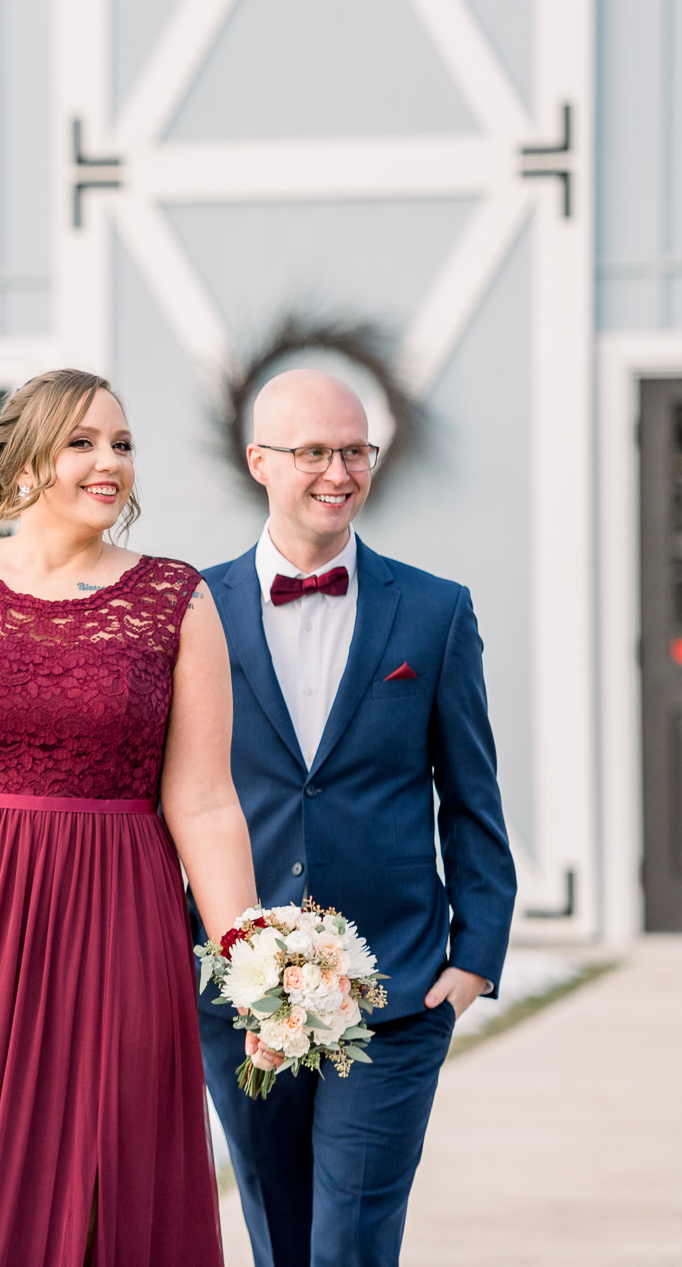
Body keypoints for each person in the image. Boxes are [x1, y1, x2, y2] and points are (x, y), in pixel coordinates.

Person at [0, 368, 260, 1267]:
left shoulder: (177, 599)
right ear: (25, 460)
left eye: (123, 444)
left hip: (122, 920)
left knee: (112, 1164)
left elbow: (204, 799)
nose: (110, 463)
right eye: (82, 442)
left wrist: (256, 962)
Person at [199, 369, 515, 1267]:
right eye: (313, 452)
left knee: (352, 1240)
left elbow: (472, 798)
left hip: (397, 991)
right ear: (259, 460)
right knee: (280, 1237)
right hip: (241, 996)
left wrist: (474, 962)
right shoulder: (192, 612)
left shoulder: (435, 611)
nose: (337, 471)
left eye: (354, 451)